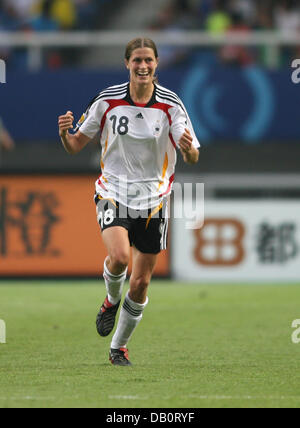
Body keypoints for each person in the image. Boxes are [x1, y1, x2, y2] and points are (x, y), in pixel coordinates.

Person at [58, 37, 200, 366]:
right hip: (114, 192)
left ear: (157, 64)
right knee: (120, 256)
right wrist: (66, 134)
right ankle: (110, 299)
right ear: (127, 64)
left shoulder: (171, 105)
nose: (142, 66)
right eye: (136, 60)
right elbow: (76, 145)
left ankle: (118, 347)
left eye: (148, 60)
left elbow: (191, 156)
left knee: (141, 282)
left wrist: (189, 148)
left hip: (155, 201)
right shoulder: (107, 101)